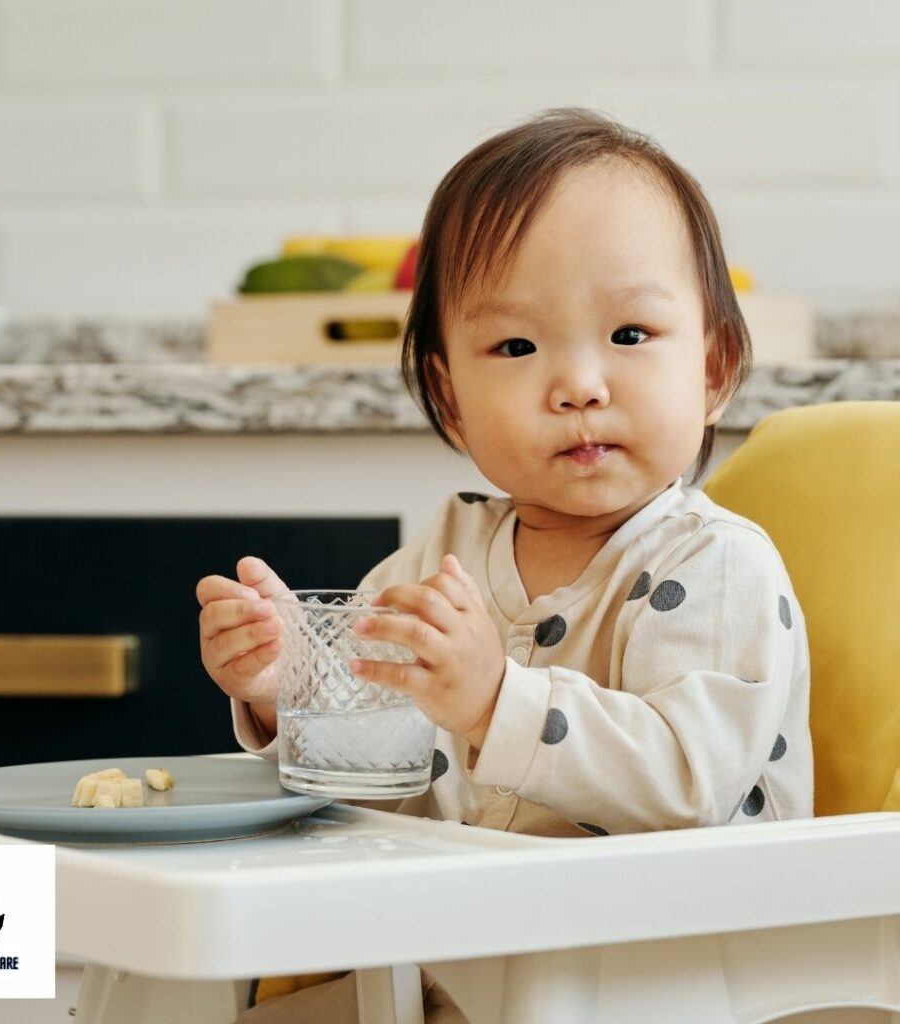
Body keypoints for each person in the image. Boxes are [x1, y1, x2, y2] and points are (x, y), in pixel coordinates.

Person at [196, 107, 814, 1023]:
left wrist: (495, 702)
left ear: (716, 368)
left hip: (657, 983)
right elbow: (382, 784)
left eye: (632, 335)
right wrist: (290, 691)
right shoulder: (440, 556)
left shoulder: (716, 567)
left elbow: (688, 786)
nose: (579, 385)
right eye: (517, 347)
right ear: (449, 394)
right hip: (453, 969)